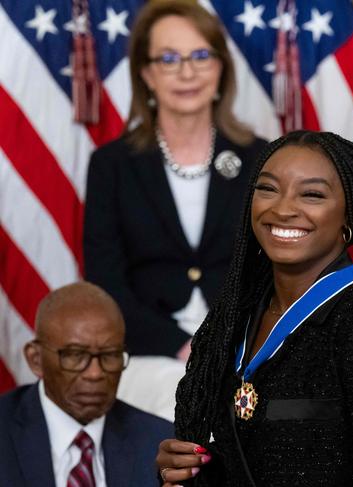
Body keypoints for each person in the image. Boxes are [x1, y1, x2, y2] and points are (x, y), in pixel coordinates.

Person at [155, 130, 353, 486]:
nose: (282, 209)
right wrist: (189, 469)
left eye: (312, 194)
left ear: (349, 218)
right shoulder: (238, 316)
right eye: (267, 189)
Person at [83, 0, 266, 419]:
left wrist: (221, 344)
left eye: (200, 56)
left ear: (221, 68)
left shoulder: (259, 158)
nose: (187, 72)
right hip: (148, 352)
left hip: (239, 349)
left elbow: (269, 274)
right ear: (146, 74)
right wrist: (180, 347)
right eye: (169, 58)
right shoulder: (112, 165)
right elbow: (105, 282)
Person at [0, 282, 173, 487]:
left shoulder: (161, 442)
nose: (95, 373)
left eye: (109, 355)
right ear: (36, 359)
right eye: (75, 355)